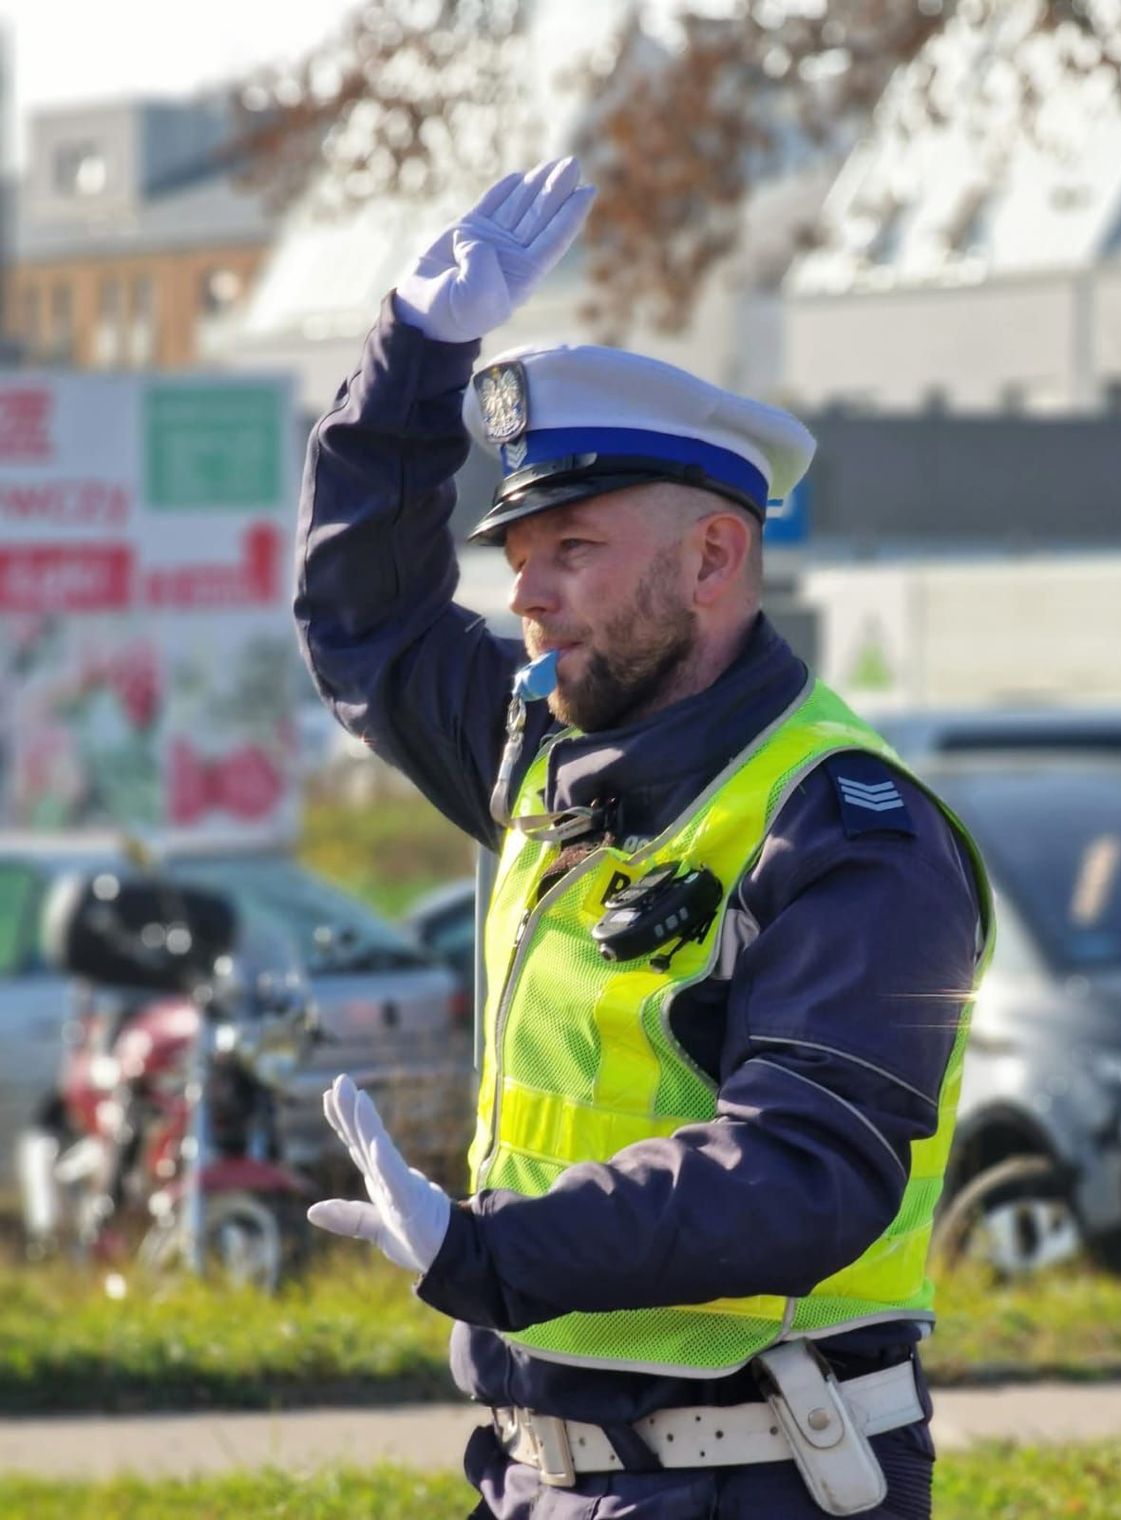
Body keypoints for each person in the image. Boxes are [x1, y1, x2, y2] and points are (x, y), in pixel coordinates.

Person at [296, 158, 992, 1519]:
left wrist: (490, 1252)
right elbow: (366, 622)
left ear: (713, 559)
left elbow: (803, 1167)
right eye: (518, 558)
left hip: (760, 1478)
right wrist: (413, 362)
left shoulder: (848, 827)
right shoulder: (546, 753)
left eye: (573, 550)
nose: (529, 596)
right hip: (539, 1473)